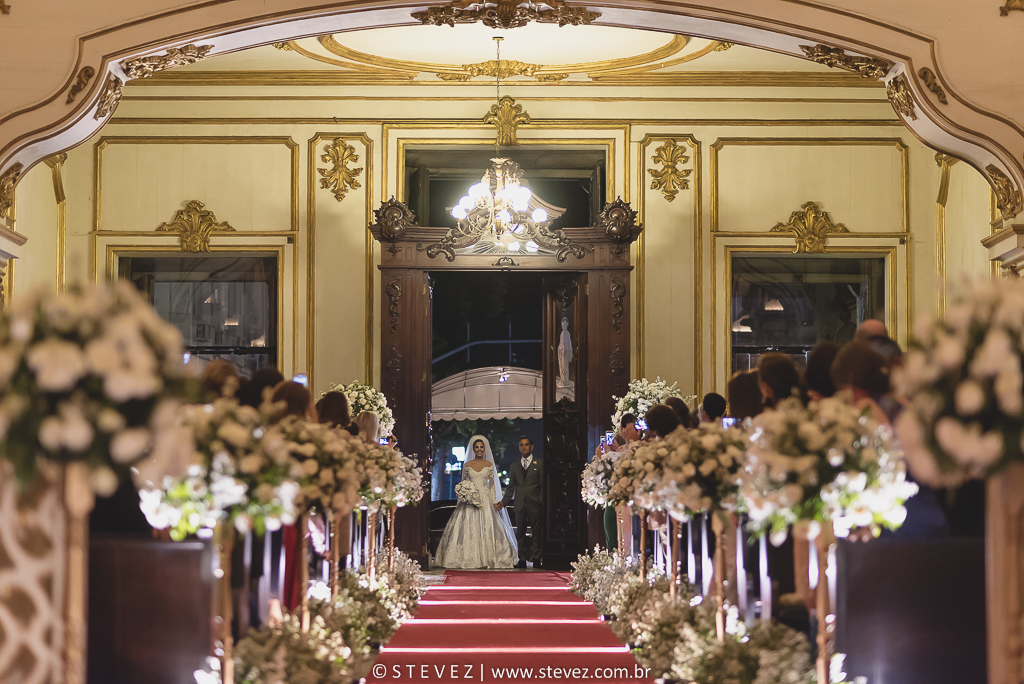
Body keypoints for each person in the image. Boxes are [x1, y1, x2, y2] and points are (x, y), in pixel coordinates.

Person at [434, 436, 518, 569]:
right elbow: (464, 482)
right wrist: (465, 493)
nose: (479, 449)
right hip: (469, 501)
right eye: (477, 447)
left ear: (484, 449)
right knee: (467, 525)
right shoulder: (467, 465)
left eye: (481, 447)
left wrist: (495, 501)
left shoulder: (489, 465)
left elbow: (491, 486)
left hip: (485, 499)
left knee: (489, 526)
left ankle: (490, 558)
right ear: (473, 449)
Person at [498, 436, 544, 569]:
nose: (524, 447)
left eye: (526, 444)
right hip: (519, 504)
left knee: (537, 533)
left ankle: (536, 559)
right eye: (521, 445)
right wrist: (504, 502)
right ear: (519, 447)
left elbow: (542, 485)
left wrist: (540, 500)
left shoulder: (539, 463)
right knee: (520, 534)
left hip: (535, 504)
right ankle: (522, 559)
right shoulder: (514, 465)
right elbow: (511, 487)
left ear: (531, 447)